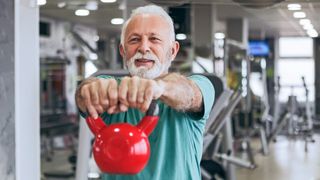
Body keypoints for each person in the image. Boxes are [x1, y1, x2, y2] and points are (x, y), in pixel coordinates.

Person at [75, 4, 215, 180]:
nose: (143, 47)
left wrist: (158, 87)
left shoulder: (200, 85)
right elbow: (85, 93)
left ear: (172, 51)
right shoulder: (113, 90)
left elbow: (189, 93)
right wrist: (89, 91)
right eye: (134, 40)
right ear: (123, 51)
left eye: (154, 39)